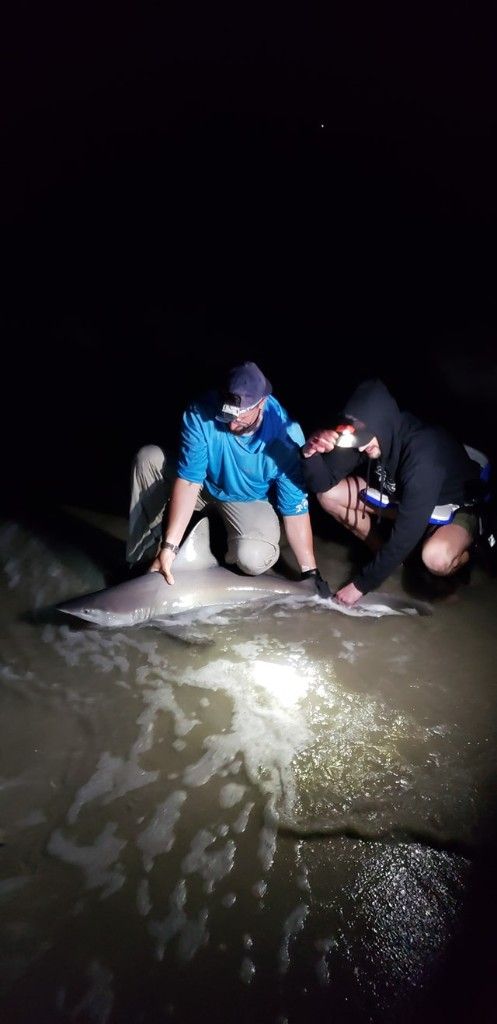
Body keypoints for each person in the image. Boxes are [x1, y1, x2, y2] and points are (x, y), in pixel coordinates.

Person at [127, 360, 329, 595]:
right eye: (228, 415)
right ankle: (144, 562)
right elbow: (190, 480)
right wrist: (170, 547)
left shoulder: (287, 436)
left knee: (253, 558)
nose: (232, 424)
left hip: (247, 499)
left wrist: (310, 573)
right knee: (148, 458)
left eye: (241, 417)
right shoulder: (200, 410)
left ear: (262, 403)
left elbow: (295, 511)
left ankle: (221, 550)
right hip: (203, 485)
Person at [302, 378, 484, 606]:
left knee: (435, 559)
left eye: (365, 440)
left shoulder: (424, 457)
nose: (360, 447)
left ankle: (467, 553)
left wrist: (361, 585)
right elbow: (322, 483)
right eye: (357, 440)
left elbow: (407, 531)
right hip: (403, 496)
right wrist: (311, 452)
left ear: (383, 426)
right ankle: (389, 558)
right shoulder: (366, 435)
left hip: (454, 505)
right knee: (329, 496)